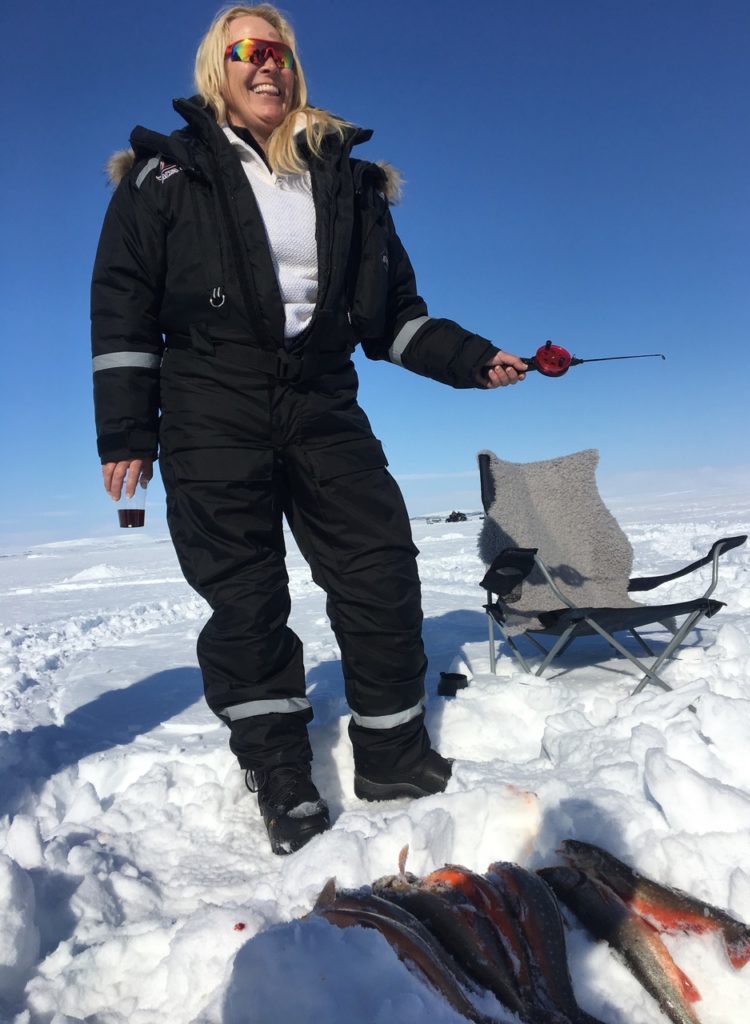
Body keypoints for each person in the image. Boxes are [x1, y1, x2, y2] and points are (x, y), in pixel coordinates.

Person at [92, 4, 528, 855]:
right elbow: (123, 309)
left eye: (280, 51)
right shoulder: (164, 177)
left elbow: (393, 318)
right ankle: (282, 774)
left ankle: (393, 750)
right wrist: (125, 433)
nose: (267, 66)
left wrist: (473, 358)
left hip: (323, 400)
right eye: (246, 51)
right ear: (216, 68)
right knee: (246, 597)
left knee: (379, 566)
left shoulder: (348, 180)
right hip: (210, 404)